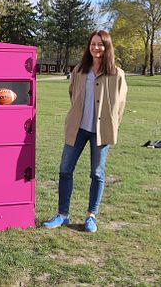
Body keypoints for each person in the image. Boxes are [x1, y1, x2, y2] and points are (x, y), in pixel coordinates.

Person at [42, 30, 128, 233]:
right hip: (77, 128)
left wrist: (111, 125)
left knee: (97, 173)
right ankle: (62, 215)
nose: (96, 48)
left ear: (107, 48)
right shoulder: (79, 71)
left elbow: (121, 105)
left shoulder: (117, 74)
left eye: (100, 44)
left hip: (101, 131)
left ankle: (91, 216)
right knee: (65, 170)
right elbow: (73, 94)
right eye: (93, 44)